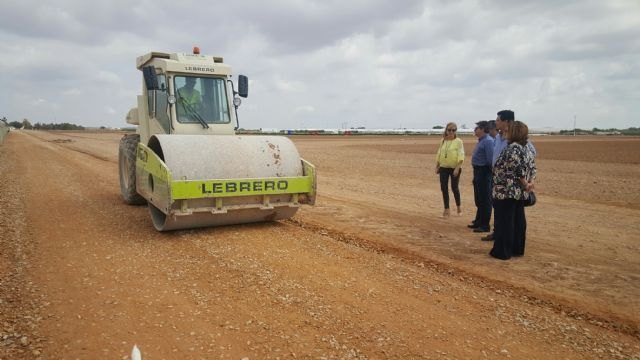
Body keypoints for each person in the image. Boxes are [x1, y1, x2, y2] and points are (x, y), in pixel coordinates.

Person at [489, 121, 536, 260]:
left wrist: (524, 183)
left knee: (505, 221)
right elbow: (532, 167)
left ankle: (502, 251)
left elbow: (516, 169)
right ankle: (517, 248)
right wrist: (530, 182)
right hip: (519, 192)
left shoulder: (513, 148)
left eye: (508, 130)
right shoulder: (527, 147)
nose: (505, 132)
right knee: (518, 220)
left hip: (506, 190)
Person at [481, 110, 514, 241]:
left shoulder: (514, 137)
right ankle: (497, 232)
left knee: (507, 210)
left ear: (506, 122)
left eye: (498, 120)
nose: (496, 122)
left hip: (508, 180)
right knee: (497, 206)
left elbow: (531, 152)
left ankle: (506, 237)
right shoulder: (498, 138)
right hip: (497, 177)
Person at [468, 121, 494, 233]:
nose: (475, 129)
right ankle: (479, 221)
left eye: (477, 128)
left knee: (485, 199)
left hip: (484, 171)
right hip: (478, 171)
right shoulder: (482, 141)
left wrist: (486, 173)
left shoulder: (488, 141)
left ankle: (484, 224)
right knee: (479, 198)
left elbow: (490, 160)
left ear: (483, 129)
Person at [435, 122, 465, 218]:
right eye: (449, 130)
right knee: (444, 188)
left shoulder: (459, 141)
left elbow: (461, 154)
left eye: (454, 130)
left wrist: (457, 168)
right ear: (446, 130)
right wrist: (437, 165)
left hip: (454, 167)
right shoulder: (443, 140)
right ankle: (446, 209)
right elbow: (439, 153)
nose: (451, 132)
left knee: (454, 187)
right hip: (444, 167)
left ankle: (458, 207)